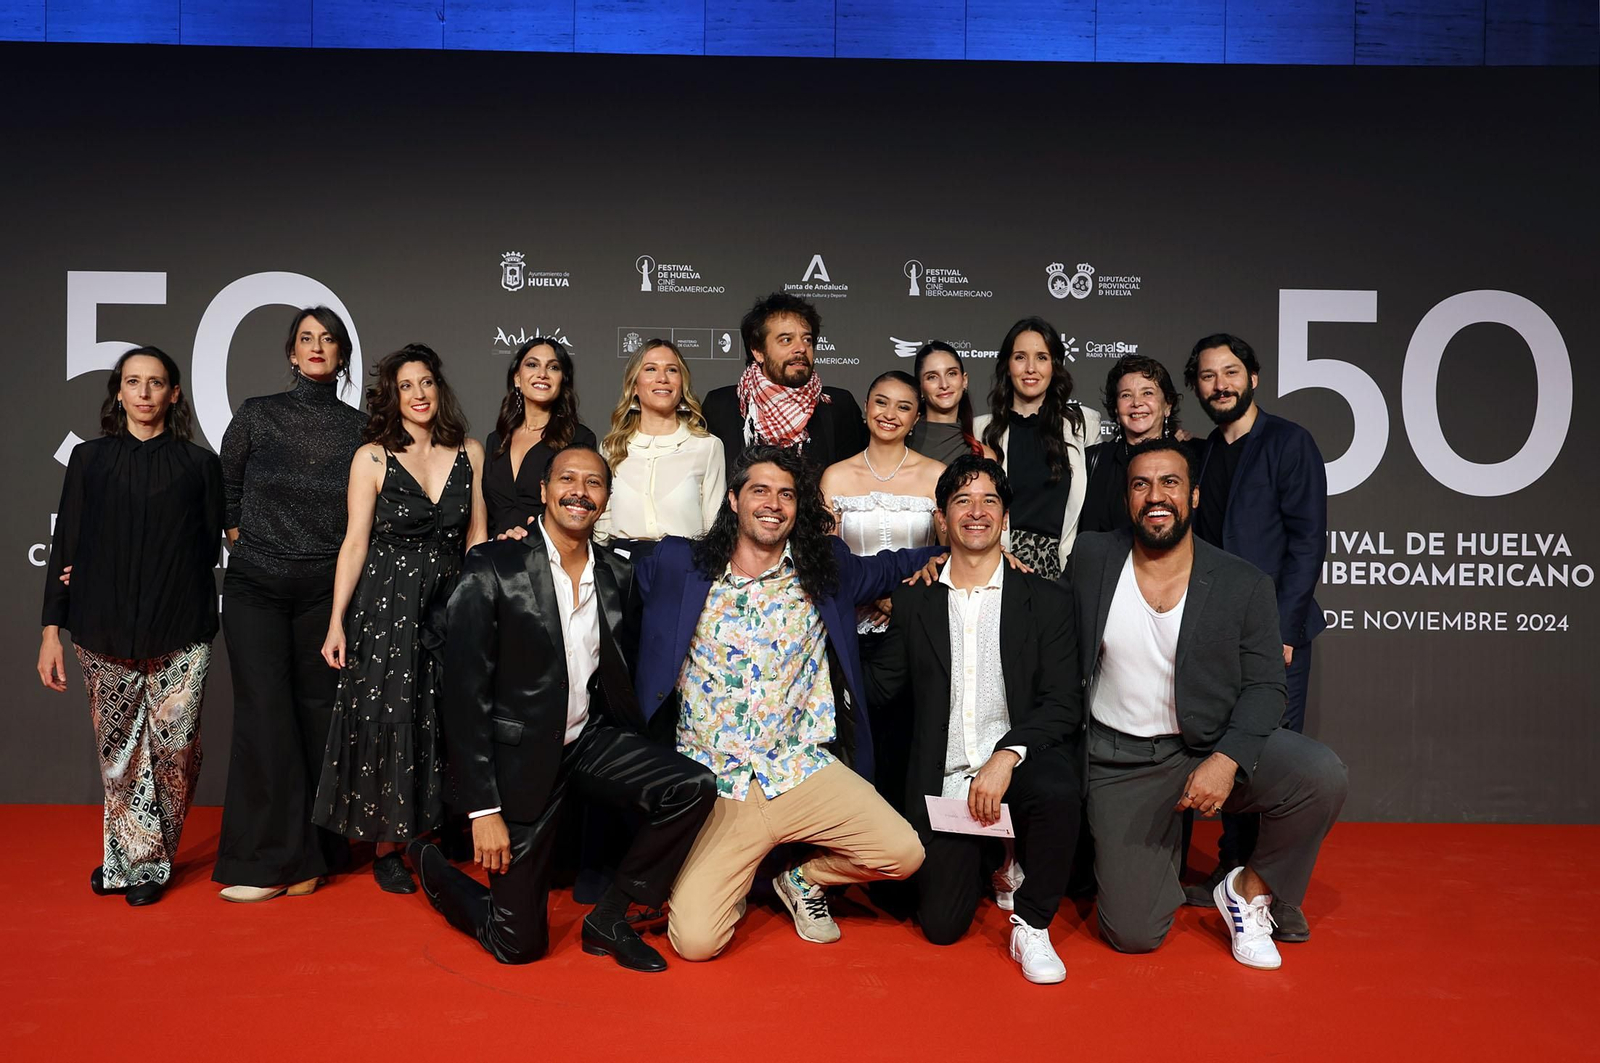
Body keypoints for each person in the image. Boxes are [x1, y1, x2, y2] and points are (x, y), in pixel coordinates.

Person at [409, 445, 717, 971]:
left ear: (606, 500)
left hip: (587, 741)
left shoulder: (617, 576)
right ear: (546, 492)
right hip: (519, 760)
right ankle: (432, 868)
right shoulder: (493, 564)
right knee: (517, 946)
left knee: (692, 787)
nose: (581, 490)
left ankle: (611, 917)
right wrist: (483, 811)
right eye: (568, 479)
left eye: (594, 483)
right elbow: (462, 695)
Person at [631, 445, 942, 960]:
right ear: (733, 500)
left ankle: (802, 879)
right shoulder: (678, 564)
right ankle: (729, 875)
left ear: (798, 507)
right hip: (717, 784)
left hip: (801, 772)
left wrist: (958, 550)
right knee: (696, 944)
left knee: (904, 853)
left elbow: (890, 567)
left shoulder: (825, 568)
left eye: (786, 494)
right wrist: (522, 542)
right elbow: (603, 570)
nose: (773, 503)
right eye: (759, 490)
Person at [1065, 439, 1347, 970]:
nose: (1156, 496)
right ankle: (1155, 859)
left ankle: (1247, 890)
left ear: (1192, 496)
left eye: (1169, 483)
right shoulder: (1091, 558)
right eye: (1141, 484)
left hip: (1207, 746)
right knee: (1133, 935)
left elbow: (1267, 687)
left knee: (1319, 775)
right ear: (1127, 498)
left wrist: (1226, 759)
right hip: (1119, 762)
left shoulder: (1243, 582)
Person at [867, 455, 1083, 983]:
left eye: (989, 500)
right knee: (941, 926)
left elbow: (1062, 703)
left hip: (1016, 765)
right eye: (962, 500)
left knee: (1057, 789)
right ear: (942, 518)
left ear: (1006, 516)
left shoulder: (1045, 599)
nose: (976, 512)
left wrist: (1007, 755)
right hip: (945, 784)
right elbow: (882, 687)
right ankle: (998, 857)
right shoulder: (913, 600)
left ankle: (1031, 923)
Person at [37, 346, 222, 907]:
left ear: (174, 394)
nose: (144, 393)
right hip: (102, 626)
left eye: (156, 383)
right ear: (118, 392)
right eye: (134, 382)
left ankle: (127, 857)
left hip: (182, 626)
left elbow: (213, 544)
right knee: (119, 753)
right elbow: (66, 543)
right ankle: (142, 864)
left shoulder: (199, 466)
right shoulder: (90, 461)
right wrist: (51, 629)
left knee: (175, 750)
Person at [313, 345, 488, 893]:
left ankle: (432, 831)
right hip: (386, 604)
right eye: (406, 385)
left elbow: (476, 537)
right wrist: (336, 620)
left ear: (440, 389)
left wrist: (477, 607)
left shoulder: (471, 451)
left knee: (442, 712)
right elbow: (355, 542)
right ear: (393, 395)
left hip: (449, 599)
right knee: (390, 714)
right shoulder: (371, 457)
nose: (418, 394)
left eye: (427, 382)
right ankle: (388, 844)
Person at [214, 306, 366, 902]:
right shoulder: (257, 414)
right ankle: (263, 863)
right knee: (263, 717)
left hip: (324, 596)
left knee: (316, 721)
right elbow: (226, 490)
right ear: (291, 352)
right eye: (306, 339)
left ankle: (311, 857)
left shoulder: (360, 430)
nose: (316, 348)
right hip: (255, 587)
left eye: (328, 340)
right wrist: (240, 539)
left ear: (341, 355)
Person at [1180, 333, 1328, 925]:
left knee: (1275, 759)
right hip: (1219, 633)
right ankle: (1231, 872)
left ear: (1254, 378)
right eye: (1209, 376)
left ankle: (1274, 895)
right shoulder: (1206, 454)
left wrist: (1286, 629)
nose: (1221, 384)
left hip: (1275, 632)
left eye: (1231, 372)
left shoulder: (1290, 442)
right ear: (1197, 388)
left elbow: (1306, 542)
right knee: (1232, 747)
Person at [974, 316, 1103, 579]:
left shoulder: (1083, 425)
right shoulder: (980, 431)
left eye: (1041, 357)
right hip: (996, 566)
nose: (1030, 368)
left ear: (1055, 366)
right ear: (1007, 366)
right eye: (1020, 357)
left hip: (1063, 570)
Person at [820, 369, 944, 635]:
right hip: (851, 621)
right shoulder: (835, 476)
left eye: (903, 407)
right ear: (866, 407)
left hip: (920, 620)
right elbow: (826, 557)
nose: (889, 414)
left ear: (916, 419)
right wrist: (875, 596)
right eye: (881, 402)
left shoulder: (937, 475)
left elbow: (950, 555)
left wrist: (902, 600)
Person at [701, 292, 866, 479]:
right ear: (758, 351)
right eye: (786, 340)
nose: (801, 348)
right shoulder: (720, 406)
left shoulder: (839, 407)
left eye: (807, 340)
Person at [596, 337, 725, 556]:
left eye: (672, 370)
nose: (662, 378)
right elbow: (602, 525)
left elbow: (714, 525)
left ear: (682, 384)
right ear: (634, 385)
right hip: (621, 569)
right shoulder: (611, 447)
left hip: (684, 566)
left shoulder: (707, 446)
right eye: (651, 369)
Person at [483, 336, 597, 537]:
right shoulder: (497, 439)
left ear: (563, 381)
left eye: (553, 367)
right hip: (496, 556)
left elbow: (583, 507)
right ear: (517, 378)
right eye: (532, 365)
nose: (542, 374)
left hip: (549, 555)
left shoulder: (578, 439)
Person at [1080, 354, 1188, 535]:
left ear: (1167, 405)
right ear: (1116, 409)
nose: (1136, 403)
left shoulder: (1190, 458)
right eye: (1126, 395)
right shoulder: (1092, 460)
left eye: (1147, 393)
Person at [906, 341, 993, 465]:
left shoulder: (982, 455)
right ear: (919, 388)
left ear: (964, 381)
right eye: (932, 377)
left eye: (951, 374)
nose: (944, 385)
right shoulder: (900, 444)